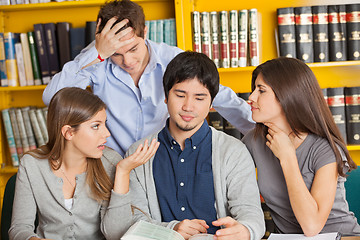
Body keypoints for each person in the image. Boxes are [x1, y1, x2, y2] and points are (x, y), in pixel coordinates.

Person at [42, 0, 254, 157]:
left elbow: (221, 97)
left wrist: (262, 133)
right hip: (113, 165)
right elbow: (52, 99)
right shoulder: (97, 58)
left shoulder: (172, 58)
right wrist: (97, 53)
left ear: (145, 31)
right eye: (117, 53)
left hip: (162, 162)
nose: (127, 60)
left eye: (133, 48)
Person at [125, 51, 265, 240]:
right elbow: (134, 221)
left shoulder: (233, 151)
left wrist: (246, 230)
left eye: (199, 98)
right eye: (180, 95)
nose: (188, 107)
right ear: (165, 96)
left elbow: (251, 213)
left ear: (211, 103)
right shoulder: (138, 153)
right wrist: (172, 229)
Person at [9, 87, 159, 240]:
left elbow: (116, 234)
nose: (107, 133)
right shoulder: (31, 164)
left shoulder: (110, 161)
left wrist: (123, 172)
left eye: (104, 124)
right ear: (69, 132)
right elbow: (19, 228)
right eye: (96, 126)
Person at [242, 57, 360, 237]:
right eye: (254, 89)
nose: (251, 98)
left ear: (287, 95)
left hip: (340, 236)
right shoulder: (254, 141)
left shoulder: (325, 148)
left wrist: (287, 156)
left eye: (261, 90)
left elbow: (312, 227)